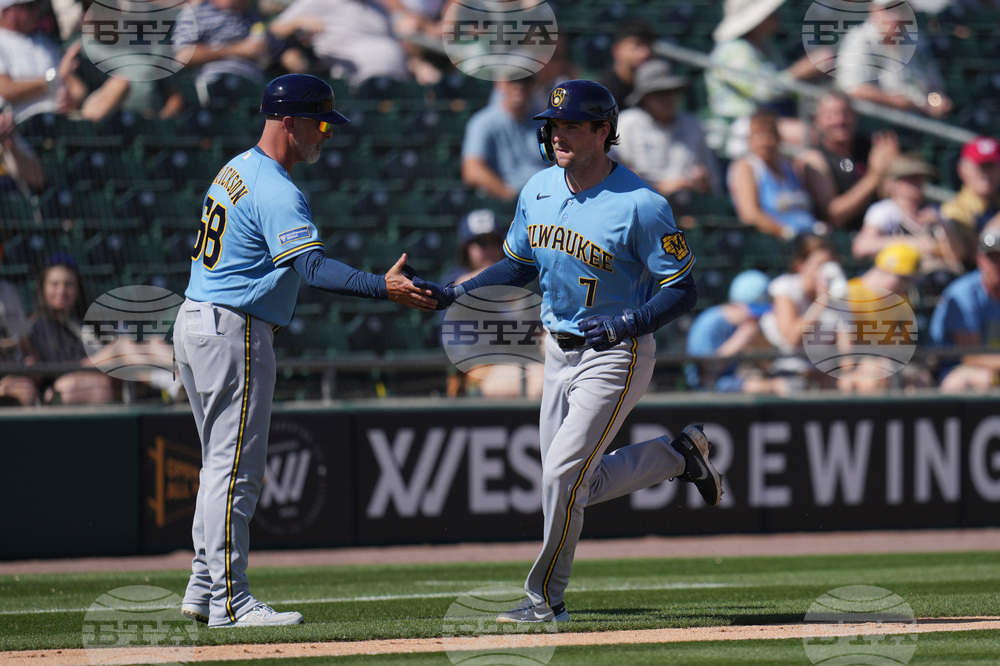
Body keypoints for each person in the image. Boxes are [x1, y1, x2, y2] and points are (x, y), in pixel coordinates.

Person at [412, 80, 723, 623]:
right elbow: (517, 264)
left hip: (616, 355)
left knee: (561, 478)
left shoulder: (642, 205)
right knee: (574, 481)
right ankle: (678, 455)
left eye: (573, 125)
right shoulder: (537, 189)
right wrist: (456, 293)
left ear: (604, 132)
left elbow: (683, 288)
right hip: (556, 349)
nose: (558, 135)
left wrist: (631, 322)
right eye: (553, 125)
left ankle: (545, 599)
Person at [174, 74, 436, 628]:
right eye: (320, 123)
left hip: (197, 321)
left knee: (216, 466)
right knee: (234, 469)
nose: (328, 134)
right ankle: (229, 599)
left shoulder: (236, 168)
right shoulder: (273, 186)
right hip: (232, 328)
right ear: (287, 122)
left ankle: (203, 586)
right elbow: (311, 268)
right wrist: (381, 286)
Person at [706, 0, 827, 157]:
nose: (777, 16)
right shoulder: (732, 50)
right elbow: (764, 90)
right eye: (771, 13)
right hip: (738, 125)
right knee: (810, 135)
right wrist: (800, 71)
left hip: (768, 119)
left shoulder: (765, 46)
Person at [614, 58, 722, 203]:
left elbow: (713, 182)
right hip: (640, 205)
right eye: (659, 93)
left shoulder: (692, 124)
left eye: (672, 92)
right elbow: (612, 173)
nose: (667, 99)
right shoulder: (627, 123)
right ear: (645, 98)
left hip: (687, 206)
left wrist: (702, 182)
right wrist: (658, 187)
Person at [795, 90, 899, 231]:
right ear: (817, 121)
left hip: (883, 230)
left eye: (845, 113)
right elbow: (834, 215)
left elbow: (892, 196)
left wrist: (892, 167)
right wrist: (874, 177)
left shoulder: (868, 147)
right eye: (830, 115)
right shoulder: (814, 160)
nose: (840, 120)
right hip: (843, 239)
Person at [837, 243, 930, 393]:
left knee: (921, 380)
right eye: (903, 279)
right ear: (884, 270)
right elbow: (844, 351)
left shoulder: (903, 302)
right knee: (874, 377)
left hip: (888, 363)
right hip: (856, 365)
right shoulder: (849, 294)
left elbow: (901, 347)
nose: (906, 286)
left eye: (911, 281)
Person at [834, 0, 953, 118]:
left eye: (901, 9)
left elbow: (933, 90)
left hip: (921, 121)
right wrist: (896, 101)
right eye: (889, 9)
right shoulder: (859, 39)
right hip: (879, 123)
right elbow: (852, 88)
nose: (897, 16)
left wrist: (936, 102)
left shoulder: (916, 39)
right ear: (873, 10)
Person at [852, 154, 966, 275]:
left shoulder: (934, 211)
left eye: (919, 178)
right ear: (893, 183)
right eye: (909, 178)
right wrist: (911, 242)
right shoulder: (885, 211)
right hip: (898, 278)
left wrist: (942, 225)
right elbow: (861, 247)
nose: (916, 183)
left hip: (935, 277)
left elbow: (958, 256)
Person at [23, 258, 115, 404]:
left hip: (110, 374)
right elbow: (55, 366)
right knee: (120, 348)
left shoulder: (88, 322)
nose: (62, 290)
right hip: (63, 387)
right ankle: (159, 380)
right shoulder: (38, 325)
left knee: (154, 342)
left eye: (68, 284)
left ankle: (162, 380)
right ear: (43, 288)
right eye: (54, 284)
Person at [758, 234, 845, 386]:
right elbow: (792, 338)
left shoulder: (838, 292)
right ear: (800, 265)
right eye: (820, 265)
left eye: (829, 264)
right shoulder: (785, 288)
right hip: (788, 371)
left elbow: (847, 351)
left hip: (824, 373)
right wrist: (820, 303)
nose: (826, 272)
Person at [685, 269, 782, 394]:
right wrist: (740, 339)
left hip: (730, 380)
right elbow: (705, 371)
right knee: (770, 386)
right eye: (754, 313)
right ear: (736, 305)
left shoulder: (741, 324)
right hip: (706, 388)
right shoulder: (710, 322)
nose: (757, 318)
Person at [928, 223, 1000, 392]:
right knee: (982, 379)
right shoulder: (963, 294)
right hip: (952, 372)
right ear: (980, 259)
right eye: (992, 258)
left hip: (993, 366)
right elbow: (971, 356)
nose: (997, 265)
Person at [270, 0, 409, 87]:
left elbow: (394, 43)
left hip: (397, 82)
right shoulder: (319, 2)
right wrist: (298, 22)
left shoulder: (378, 8)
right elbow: (274, 28)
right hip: (349, 82)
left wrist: (417, 64)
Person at [728, 110, 819, 240]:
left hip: (809, 235)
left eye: (770, 134)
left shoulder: (790, 167)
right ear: (750, 140)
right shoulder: (747, 168)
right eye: (759, 135)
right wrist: (785, 232)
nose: (765, 141)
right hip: (776, 245)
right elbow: (750, 215)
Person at [172, 0, 283, 106]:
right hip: (216, 81)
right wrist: (238, 50)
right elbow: (183, 56)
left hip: (254, 84)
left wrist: (287, 54)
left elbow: (276, 49)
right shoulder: (196, 12)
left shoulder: (253, 16)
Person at [461, 76, 547, 202]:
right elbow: (472, 170)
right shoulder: (483, 122)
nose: (519, 85)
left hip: (545, 197)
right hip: (509, 204)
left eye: (526, 79)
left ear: (534, 84)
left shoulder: (544, 122)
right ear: (500, 83)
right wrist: (508, 194)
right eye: (513, 79)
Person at [0, 0, 76, 122]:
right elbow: (5, 89)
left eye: (36, 5)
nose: (36, 11)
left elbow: (75, 88)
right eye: (28, 7)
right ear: (6, 12)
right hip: (18, 127)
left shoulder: (45, 42)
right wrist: (51, 81)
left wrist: (70, 100)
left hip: (56, 123)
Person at [940, 136, 1000, 267]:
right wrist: (994, 226)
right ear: (962, 170)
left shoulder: (995, 204)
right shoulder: (954, 211)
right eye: (980, 166)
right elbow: (974, 254)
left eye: (990, 166)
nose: (985, 174)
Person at [598, 18, 655, 110]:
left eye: (649, 45)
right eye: (637, 45)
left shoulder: (654, 85)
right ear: (617, 51)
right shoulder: (604, 93)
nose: (646, 52)